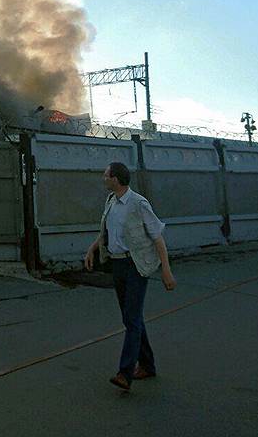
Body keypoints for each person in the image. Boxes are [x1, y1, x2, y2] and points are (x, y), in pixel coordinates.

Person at [84, 162, 177, 391]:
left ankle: (125, 373)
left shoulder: (138, 203)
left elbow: (157, 237)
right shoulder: (111, 201)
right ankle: (148, 365)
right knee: (131, 316)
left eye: (106, 175)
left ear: (115, 179)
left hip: (136, 264)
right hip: (117, 264)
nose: (103, 178)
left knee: (132, 317)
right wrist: (92, 248)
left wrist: (166, 269)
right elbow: (106, 231)